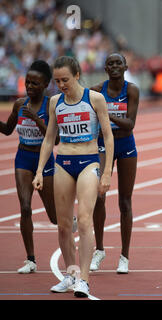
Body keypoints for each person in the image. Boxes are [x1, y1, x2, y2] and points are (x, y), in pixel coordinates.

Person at [32, 56, 114, 298]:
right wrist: (39, 170)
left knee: (85, 220)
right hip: (63, 162)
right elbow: (49, 139)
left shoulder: (95, 99)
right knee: (64, 225)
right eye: (57, 81)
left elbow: (108, 136)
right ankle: (70, 275)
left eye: (65, 79)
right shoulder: (55, 102)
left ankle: (84, 280)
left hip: (88, 161)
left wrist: (107, 171)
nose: (61, 84)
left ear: (77, 75)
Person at [0, 60, 57, 274]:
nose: (30, 87)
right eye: (28, 82)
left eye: (35, 83)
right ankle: (31, 260)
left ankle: (69, 221)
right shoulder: (19, 104)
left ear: (45, 84)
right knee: (25, 208)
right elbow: (7, 130)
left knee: (53, 217)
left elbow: (57, 139)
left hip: (44, 160)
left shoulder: (51, 104)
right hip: (23, 158)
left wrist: (37, 119)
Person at [89, 53, 140, 274]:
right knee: (99, 195)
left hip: (126, 145)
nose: (115, 66)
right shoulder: (96, 90)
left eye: (119, 63)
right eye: (110, 63)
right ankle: (99, 249)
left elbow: (129, 124)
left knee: (125, 202)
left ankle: (125, 256)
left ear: (125, 66)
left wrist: (106, 114)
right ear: (106, 68)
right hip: (102, 145)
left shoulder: (131, 90)